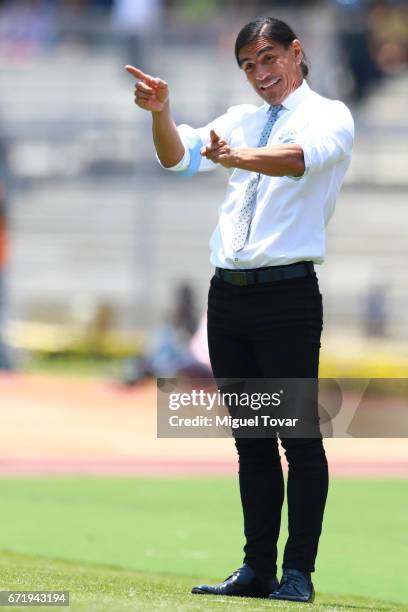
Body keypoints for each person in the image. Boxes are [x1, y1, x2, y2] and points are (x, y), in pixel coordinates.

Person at [126, 16, 354, 603]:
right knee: (251, 438)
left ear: (296, 53)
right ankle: (257, 569)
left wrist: (239, 156)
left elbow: (298, 159)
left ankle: (298, 571)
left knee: (297, 438)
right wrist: (160, 114)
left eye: (269, 58)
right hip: (228, 295)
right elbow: (177, 159)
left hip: (287, 296)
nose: (261, 74)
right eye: (249, 65)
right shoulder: (240, 118)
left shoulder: (330, 114)